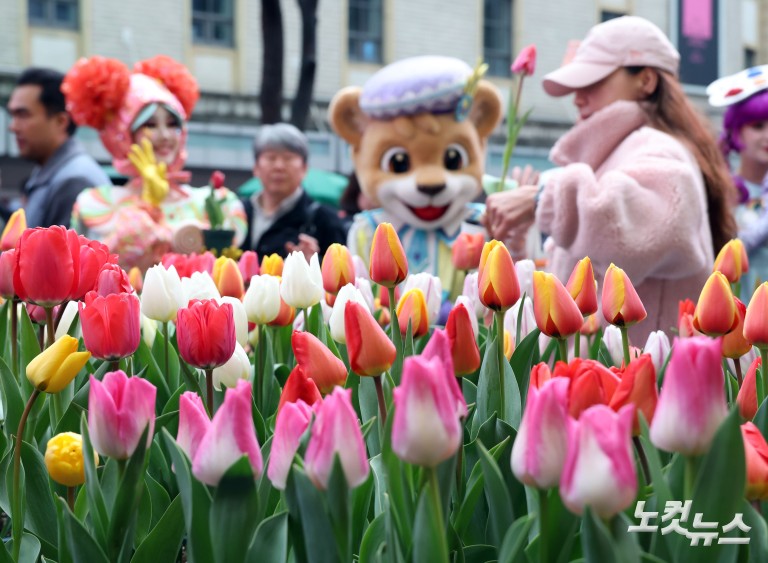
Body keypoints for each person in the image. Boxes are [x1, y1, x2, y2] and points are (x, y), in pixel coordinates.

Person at [484, 16, 737, 341]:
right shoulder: (618, 154)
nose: (577, 97)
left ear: (646, 80)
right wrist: (518, 247)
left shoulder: (657, 147)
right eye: (575, 86)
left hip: (640, 378)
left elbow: (653, 226)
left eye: (593, 81)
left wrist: (541, 198)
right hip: (614, 376)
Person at [63, 55, 247, 271]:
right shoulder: (98, 204)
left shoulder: (218, 202)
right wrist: (147, 207)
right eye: (150, 124)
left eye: (172, 124)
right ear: (121, 135)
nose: (165, 135)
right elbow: (101, 272)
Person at [7, 68, 110, 228]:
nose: (13, 127)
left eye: (23, 115)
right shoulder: (51, 170)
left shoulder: (74, 181)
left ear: (61, 121)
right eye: (12, 115)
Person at [241, 123, 348, 259]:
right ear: (256, 167)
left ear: (304, 168)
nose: (279, 166)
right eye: (271, 158)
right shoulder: (235, 213)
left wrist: (314, 264)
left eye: (288, 158)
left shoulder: (326, 221)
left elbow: (342, 274)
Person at [708, 65, 768, 298]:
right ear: (736, 131)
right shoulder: (717, 191)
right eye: (758, 126)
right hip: (733, 319)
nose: (767, 136)